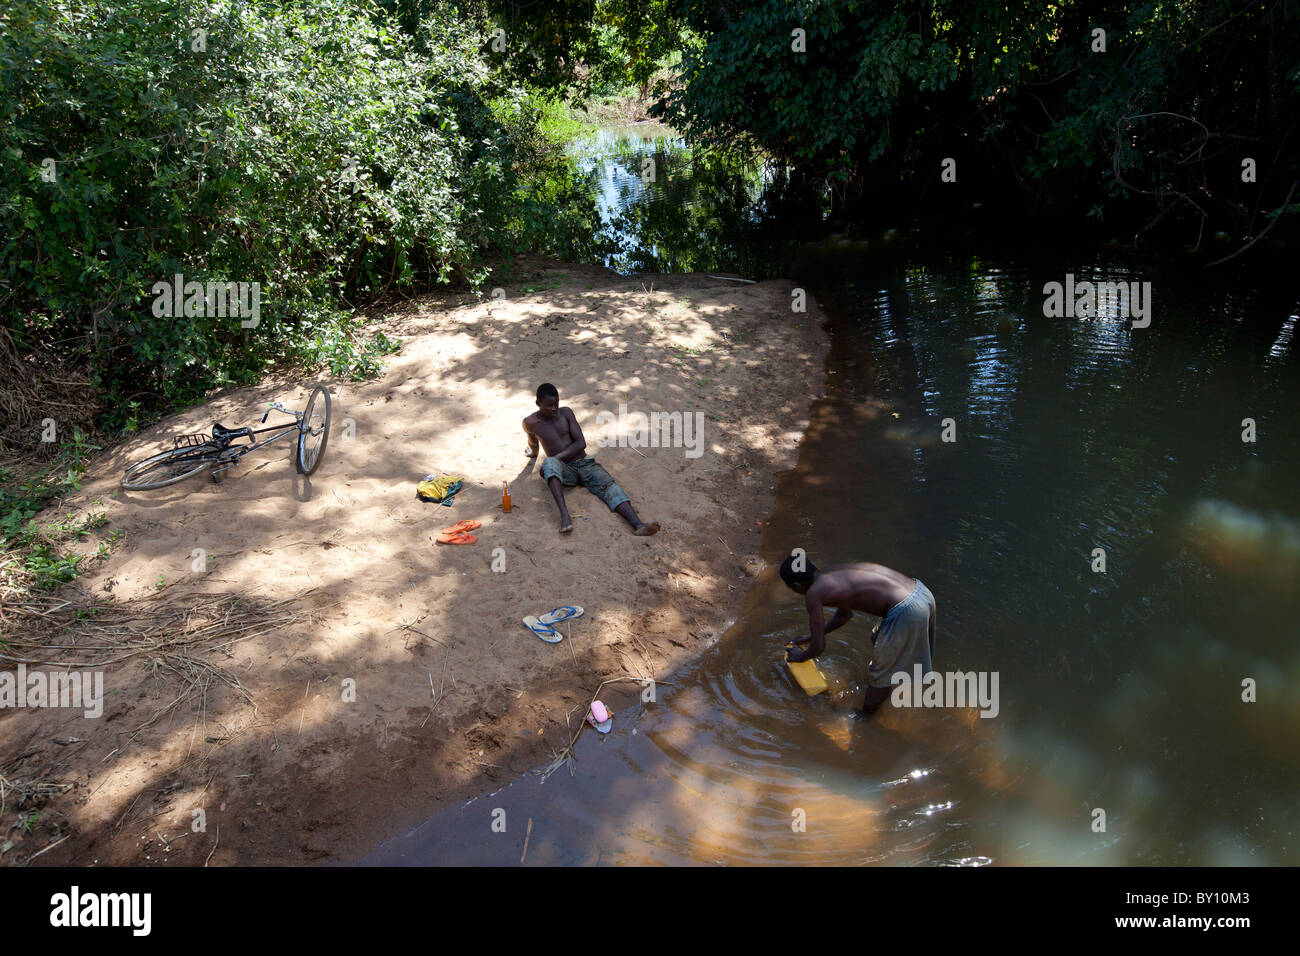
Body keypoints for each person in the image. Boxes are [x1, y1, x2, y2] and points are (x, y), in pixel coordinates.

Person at [779, 555, 935, 717]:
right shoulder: (830, 575)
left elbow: (819, 647)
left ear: (797, 586)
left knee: (881, 672)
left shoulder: (813, 594)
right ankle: (883, 690)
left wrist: (801, 656)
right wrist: (810, 637)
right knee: (879, 643)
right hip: (921, 593)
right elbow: (844, 615)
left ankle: (866, 717)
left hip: (906, 610)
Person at [524, 383, 660, 536]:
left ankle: (638, 525)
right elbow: (533, 442)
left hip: (585, 463)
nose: (554, 408)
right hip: (564, 470)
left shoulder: (566, 413)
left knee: (610, 487)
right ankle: (564, 516)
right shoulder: (530, 423)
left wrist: (554, 459)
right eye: (549, 405)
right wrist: (533, 453)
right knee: (549, 463)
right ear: (538, 403)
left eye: (556, 403)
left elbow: (580, 443)